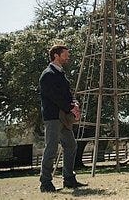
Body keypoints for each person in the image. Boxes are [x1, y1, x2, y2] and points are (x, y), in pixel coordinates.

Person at [39, 45, 86, 192]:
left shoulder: (61, 74)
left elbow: (67, 94)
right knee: (51, 149)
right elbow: (54, 97)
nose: (68, 57)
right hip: (53, 117)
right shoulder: (47, 74)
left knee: (71, 145)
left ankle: (69, 179)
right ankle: (45, 183)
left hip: (64, 116)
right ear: (56, 55)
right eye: (65, 54)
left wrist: (75, 104)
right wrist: (70, 107)